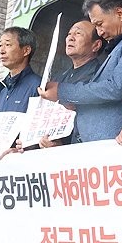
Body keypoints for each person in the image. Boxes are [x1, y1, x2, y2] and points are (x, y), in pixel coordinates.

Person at [38, 0, 122, 142]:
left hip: (114, 144)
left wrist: (62, 91)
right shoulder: (119, 47)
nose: (99, 32)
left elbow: (115, 88)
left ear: (119, 14)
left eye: (100, 24)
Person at [36, 18, 105, 148]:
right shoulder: (59, 78)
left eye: (78, 33)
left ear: (96, 45)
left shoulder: (100, 75)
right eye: (69, 34)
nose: (70, 38)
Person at [0, 27, 41, 113]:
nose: (1, 51)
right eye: (0, 45)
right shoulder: (3, 92)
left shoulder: (38, 87)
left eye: (7, 45)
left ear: (26, 50)